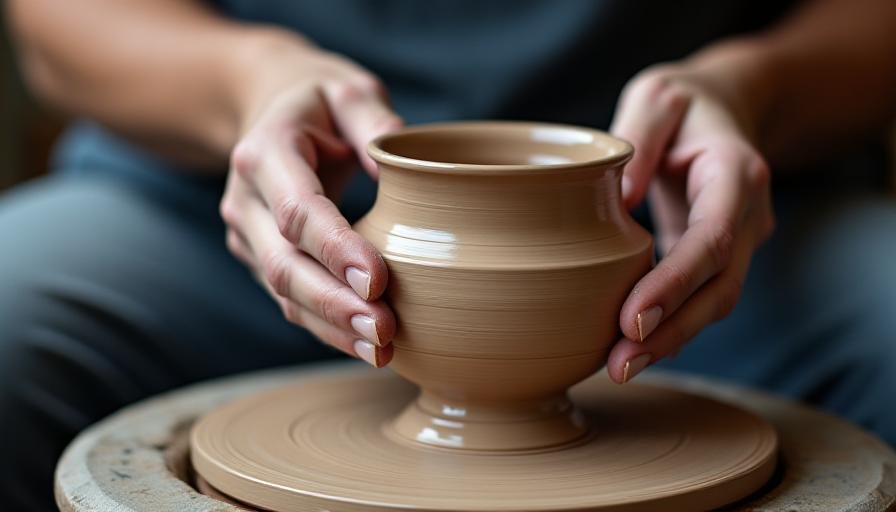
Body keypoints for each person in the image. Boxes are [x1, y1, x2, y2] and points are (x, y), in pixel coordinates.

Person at [2, 0, 895, 509]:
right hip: (228, 191)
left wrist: (752, 87)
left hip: (697, 222)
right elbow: (57, 25)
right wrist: (248, 80)